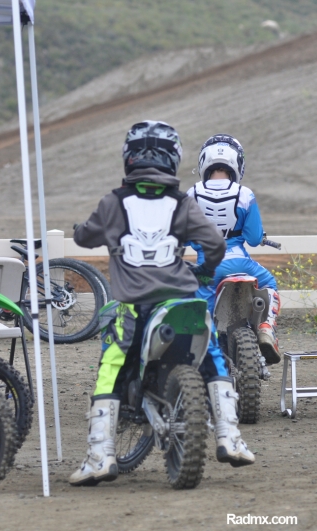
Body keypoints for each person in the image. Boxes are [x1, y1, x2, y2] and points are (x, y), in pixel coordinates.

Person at [69, 120, 255, 486]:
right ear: (174, 158)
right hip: (182, 300)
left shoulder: (113, 203)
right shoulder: (183, 203)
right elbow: (215, 245)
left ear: (129, 157)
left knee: (111, 365)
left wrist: (82, 230)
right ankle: (230, 436)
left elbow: (85, 237)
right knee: (212, 354)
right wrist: (204, 271)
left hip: (134, 307)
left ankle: (100, 455)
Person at [186, 134, 281, 367]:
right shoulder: (245, 194)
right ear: (237, 163)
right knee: (269, 283)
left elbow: (185, 237)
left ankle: (208, 358)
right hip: (241, 263)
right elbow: (254, 238)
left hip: (208, 268)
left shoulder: (192, 194)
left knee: (203, 312)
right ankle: (265, 327)